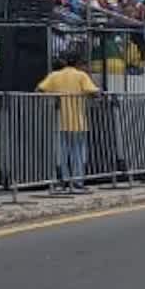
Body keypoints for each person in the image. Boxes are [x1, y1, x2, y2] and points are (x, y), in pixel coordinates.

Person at [37, 53, 100, 193]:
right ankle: (77, 182)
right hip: (78, 121)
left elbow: (39, 90)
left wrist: (54, 99)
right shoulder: (81, 76)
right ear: (78, 64)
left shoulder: (54, 75)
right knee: (78, 153)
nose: (85, 67)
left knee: (63, 153)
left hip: (59, 122)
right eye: (84, 64)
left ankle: (65, 181)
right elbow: (93, 91)